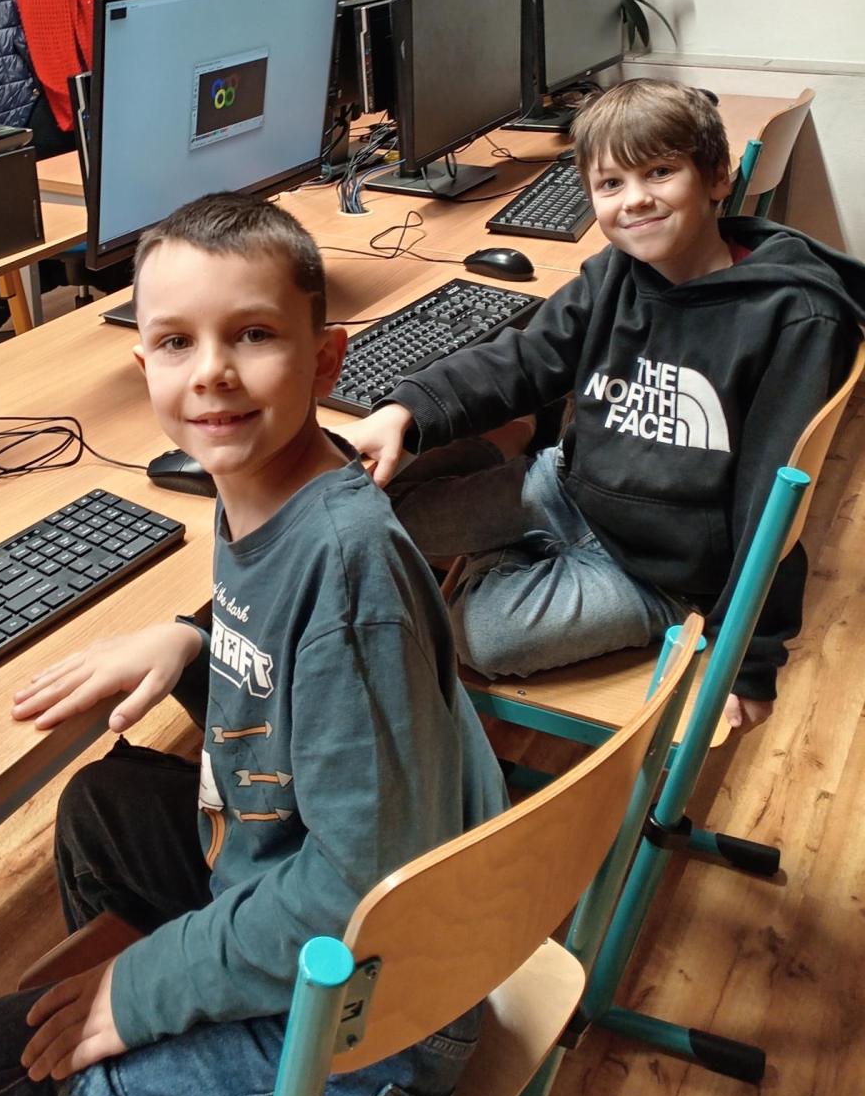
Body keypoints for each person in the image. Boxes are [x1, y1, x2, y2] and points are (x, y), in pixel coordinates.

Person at [0, 192, 506, 1096]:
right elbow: (293, 662)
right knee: (102, 806)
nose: (212, 372)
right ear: (145, 364)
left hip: (381, 1013)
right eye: (177, 342)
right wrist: (192, 639)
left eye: (253, 335)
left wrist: (141, 992)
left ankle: (128, 1073)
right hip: (323, 890)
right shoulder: (267, 482)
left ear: (325, 358)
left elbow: (361, 891)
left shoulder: (347, 566)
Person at [341, 80, 865, 732]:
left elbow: (772, 499)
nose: (635, 198)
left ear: (716, 178)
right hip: (568, 487)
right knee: (379, 518)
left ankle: (511, 551)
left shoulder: (791, 318)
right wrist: (407, 410)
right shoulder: (613, 271)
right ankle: (519, 543)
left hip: (662, 571)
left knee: (487, 638)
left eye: (660, 172)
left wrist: (748, 660)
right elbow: (525, 357)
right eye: (611, 183)